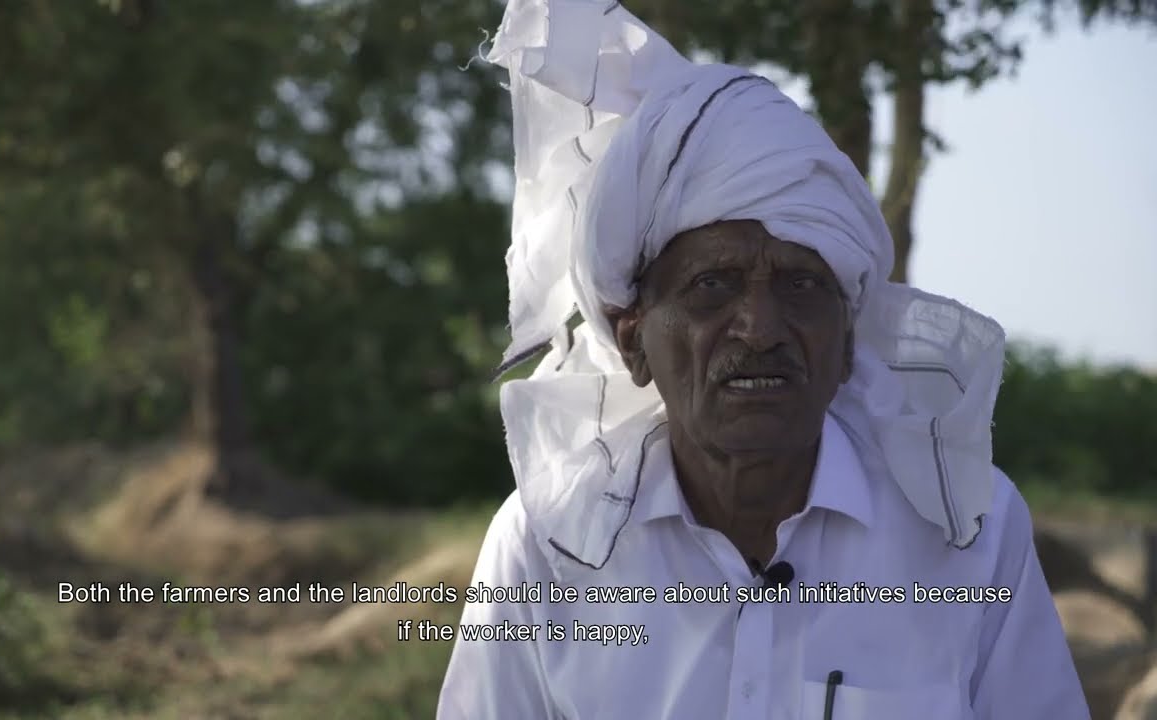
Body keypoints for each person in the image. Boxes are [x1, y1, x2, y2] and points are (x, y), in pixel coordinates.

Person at [436, 0, 1089, 717]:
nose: (759, 327)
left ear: (846, 341)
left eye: (802, 285)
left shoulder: (968, 530)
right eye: (711, 286)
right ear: (633, 342)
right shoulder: (547, 544)